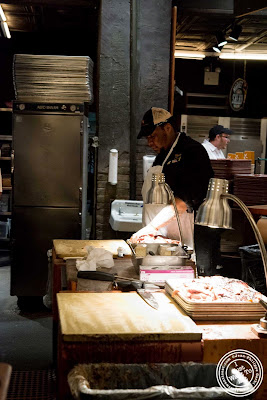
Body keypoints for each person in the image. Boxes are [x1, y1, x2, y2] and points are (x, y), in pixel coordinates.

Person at [131, 107, 215, 275]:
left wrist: (152, 227)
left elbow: (184, 201)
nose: (149, 142)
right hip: (159, 242)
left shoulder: (192, 152)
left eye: (152, 136)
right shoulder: (162, 154)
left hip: (185, 242)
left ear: (167, 128)